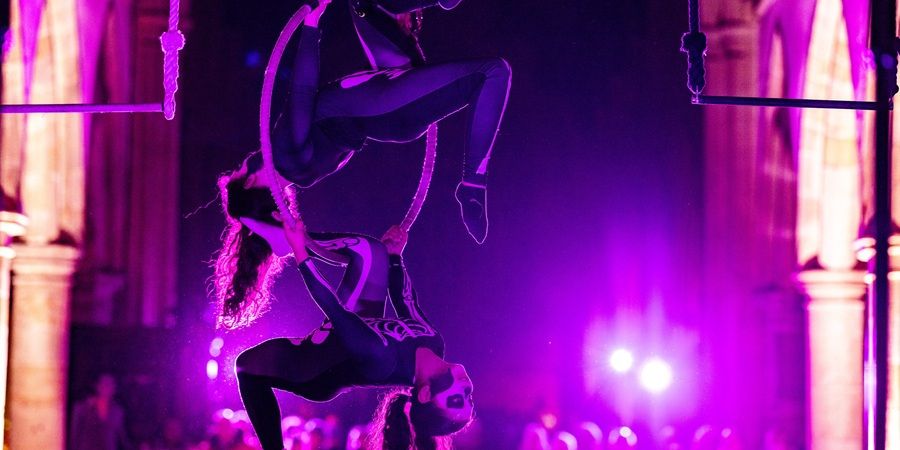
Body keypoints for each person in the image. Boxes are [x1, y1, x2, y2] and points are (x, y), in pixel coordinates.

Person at [236, 0, 511, 244]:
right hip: (392, 100)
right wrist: (311, 23)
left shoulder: (303, 174)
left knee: (362, 4)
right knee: (492, 73)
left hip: (391, 87)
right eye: (238, 170)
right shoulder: (285, 156)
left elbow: (281, 245)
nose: (244, 161)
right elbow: (301, 91)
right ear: (248, 182)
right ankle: (472, 187)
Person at [231, 220, 474, 450]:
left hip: (314, 367)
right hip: (357, 323)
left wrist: (300, 252)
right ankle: (284, 235)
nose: (465, 389)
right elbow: (407, 302)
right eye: (469, 397)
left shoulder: (384, 361)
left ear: (426, 394)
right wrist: (394, 257)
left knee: (245, 366)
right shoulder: (435, 343)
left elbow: (335, 310)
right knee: (371, 251)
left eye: (456, 400)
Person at [69, 374, 131, 450]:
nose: (106, 387)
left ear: (114, 388)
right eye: (103, 383)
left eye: (110, 384)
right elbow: (74, 433)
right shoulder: (83, 407)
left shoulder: (118, 411)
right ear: (97, 386)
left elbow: (122, 437)